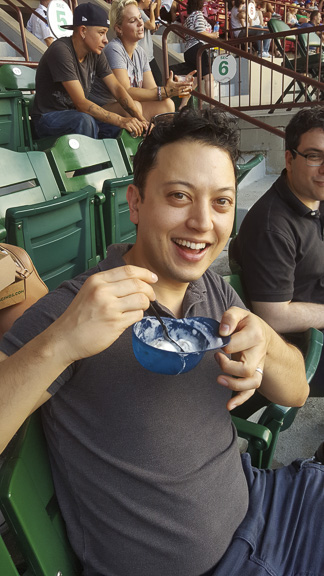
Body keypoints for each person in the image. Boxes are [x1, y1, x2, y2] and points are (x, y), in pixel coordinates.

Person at [1, 107, 324, 576]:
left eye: (221, 202)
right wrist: (62, 342)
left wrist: (268, 346)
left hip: (267, 507)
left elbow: (296, 392)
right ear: (135, 203)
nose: (201, 222)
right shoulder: (78, 310)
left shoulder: (214, 290)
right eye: (178, 196)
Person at [231, 106, 324, 397]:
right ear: (289, 158)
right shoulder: (272, 226)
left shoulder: (315, 197)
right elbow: (274, 317)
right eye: (314, 156)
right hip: (300, 350)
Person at [31, 2, 147, 140]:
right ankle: (95, 162)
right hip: (47, 119)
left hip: (77, 116)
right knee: (85, 120)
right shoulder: (60, 50)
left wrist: (141, 120)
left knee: (119, 129)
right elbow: (81, 103)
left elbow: (116, 88)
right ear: (83, 31)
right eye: (101, 33)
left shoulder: (96, 52)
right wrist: (121, 120)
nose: (105, 40)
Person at [89, 0, 193, 123]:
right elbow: (126, 92)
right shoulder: (114, 49)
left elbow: (152, 90)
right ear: (119, 28)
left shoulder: (140, 52)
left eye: (140, 18)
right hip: (103, 110)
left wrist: (173, 90)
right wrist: (165, 91)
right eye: (133, 21)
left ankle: (159, 139)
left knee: (167, 104)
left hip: (129, 106)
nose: (140, 23)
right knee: (135, 106)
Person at [183, 0, 219, 99]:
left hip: (188, 51)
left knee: (194, 81)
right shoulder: (198, 14)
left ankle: (182, 106)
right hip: (198, 49)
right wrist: (213, 35)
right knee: (209, 78)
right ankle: (212, 106)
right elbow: (200, 32)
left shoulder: (188, 18)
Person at [137, 0, 163, 85]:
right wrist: (152, 10)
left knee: (156, 81)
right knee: (157, 81)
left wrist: (153, 30)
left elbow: (149, 27)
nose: (150, 1)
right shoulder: (138, 11)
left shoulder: (139, 11)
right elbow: (151, 25)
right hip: (144, 55)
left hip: (147, 55)